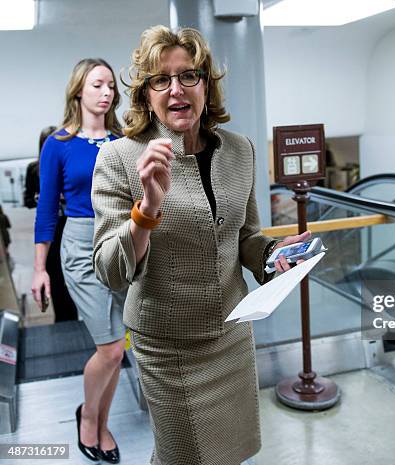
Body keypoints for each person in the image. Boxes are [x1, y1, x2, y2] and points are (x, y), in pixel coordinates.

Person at [92, 25, 308, 465]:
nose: (176, 90)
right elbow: (110, 270)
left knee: (229, 451)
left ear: (206, 85)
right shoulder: (119, 158)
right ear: (145, 95)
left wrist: (274, 256)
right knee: (183, 456)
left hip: (231, 334)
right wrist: (148, 207)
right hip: (169, 345)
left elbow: (246, 235)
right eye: (160, 80)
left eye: (188, 75)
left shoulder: (240, 149)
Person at [31, 58, 126, 464]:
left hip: (122, 242)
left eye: (110, 86)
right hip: (81, 245)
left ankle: (103, 424)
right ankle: (88, 417)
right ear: (78, 92)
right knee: (109, 347)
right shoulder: (58, 144)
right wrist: (39, 269)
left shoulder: (123, 140)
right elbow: (47, 210)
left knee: (119, 349)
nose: (106, 92)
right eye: (97, 85)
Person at [25, 126, 78, 322]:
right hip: (52, 226)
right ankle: (65, 317)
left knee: (75, 269)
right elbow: (28, 200)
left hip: (70, 222)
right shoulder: (34, 169)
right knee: (55, 273)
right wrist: (45, 198)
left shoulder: (66, 161)